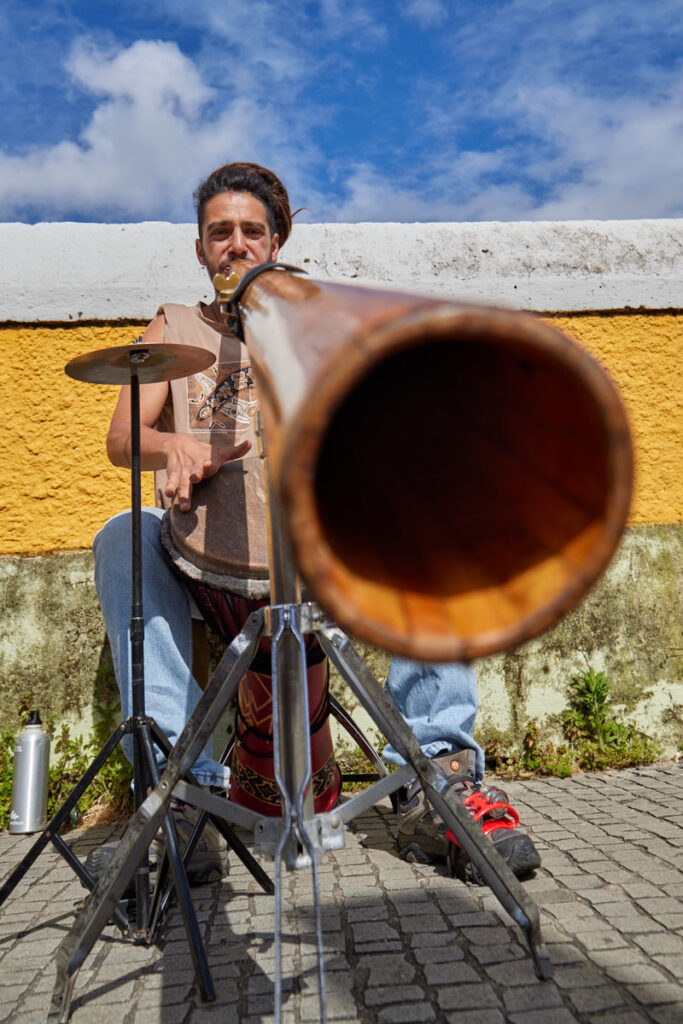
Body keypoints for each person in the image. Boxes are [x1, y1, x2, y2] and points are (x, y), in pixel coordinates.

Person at [93, 161, 540, 885]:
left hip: (321, 567)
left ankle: (438, 776)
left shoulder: (318, 322)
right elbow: (122, 440)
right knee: (123, 535)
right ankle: (183, 798)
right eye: (219, 233)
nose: (235, 244)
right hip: (205, 570)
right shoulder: (173, 325)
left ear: (276, 241)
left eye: (250, 231)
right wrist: (174, 443)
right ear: (201, 247)